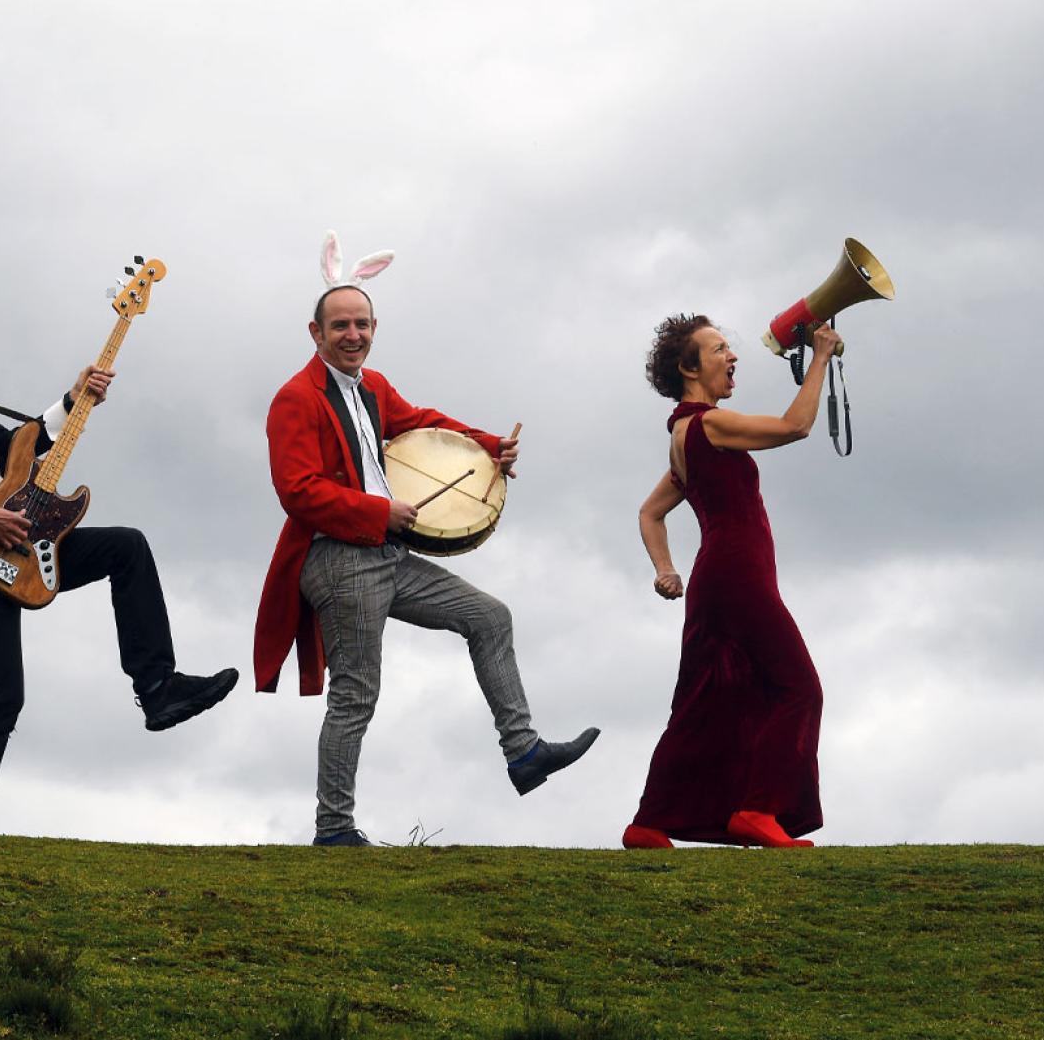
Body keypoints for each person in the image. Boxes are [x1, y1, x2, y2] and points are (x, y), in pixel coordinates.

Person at [0, 271, 238, 833]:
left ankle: (157, 688)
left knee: (126, 548)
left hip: (12, 541)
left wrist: (74, 398)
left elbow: (17, 447)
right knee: (0, 697)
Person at [255, 275, 599, 848]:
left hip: (386, 555)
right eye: (339, 325)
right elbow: (296, 489)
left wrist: (487, 443)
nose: (352, 334)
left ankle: (525, 753)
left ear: (374, 330)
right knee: (356, 694)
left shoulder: (373, 387)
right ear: (315, 333)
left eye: (361, 324)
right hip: (340, 559)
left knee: (490, 617)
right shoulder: (295, 397)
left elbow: (422, 424)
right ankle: (333, 829)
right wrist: (376, 511)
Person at [625, 314, 837, 849]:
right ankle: (759, 810)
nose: (732, 356)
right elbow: (796, 427)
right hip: (737, 575)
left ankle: (648, 824)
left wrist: (667, 570)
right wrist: (821, 358)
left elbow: (650, 513)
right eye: (719, 349)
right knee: (799, 688)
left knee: (702, 702)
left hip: (713, 580)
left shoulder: (684, 436)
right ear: (688, 367)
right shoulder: (710, 426)